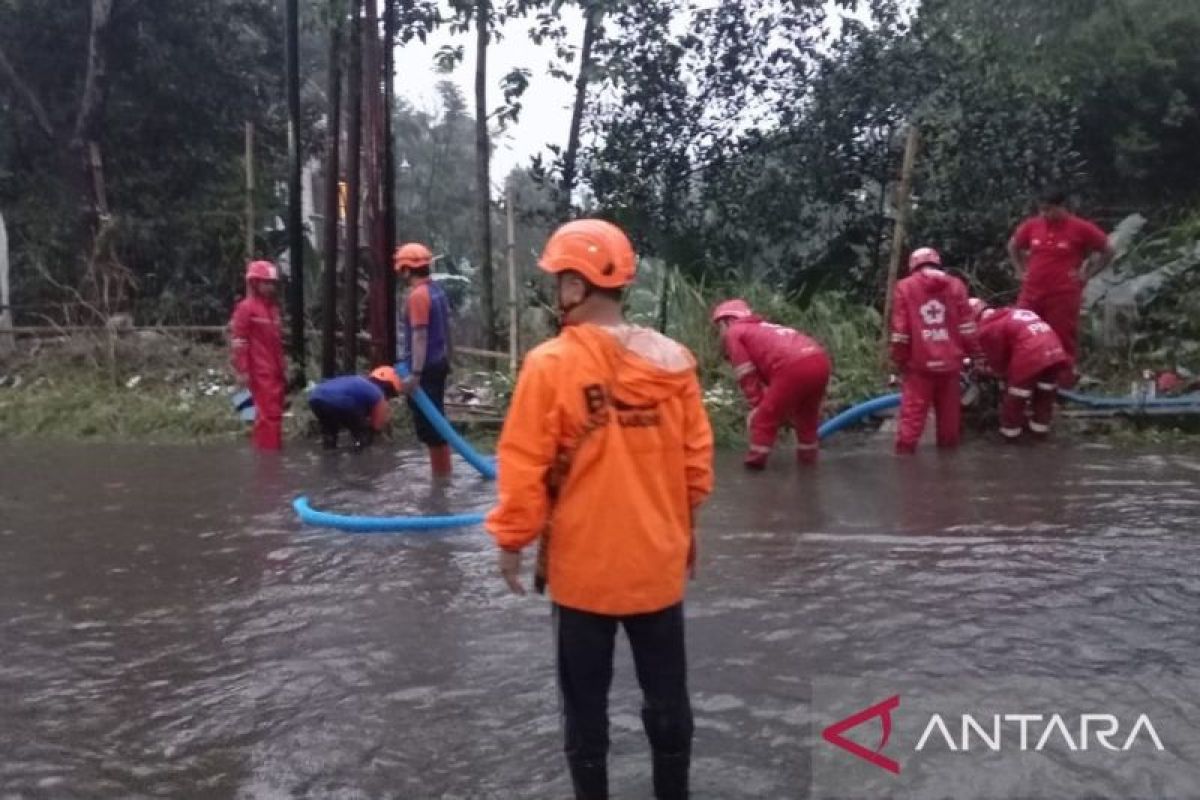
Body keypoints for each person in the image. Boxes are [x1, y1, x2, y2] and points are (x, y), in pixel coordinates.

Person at [486, 219, 714, 800]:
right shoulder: (674, 361)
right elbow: (696, 469)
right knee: (668, 702)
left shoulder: (550, 365)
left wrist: (512, 542)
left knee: (584, 710)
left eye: (560, 279)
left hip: (583, 574)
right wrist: (681, 534)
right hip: (657, 571)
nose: (557, 290)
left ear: (576, 286)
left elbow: (524, 464)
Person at [1008, 188, 1114, 385]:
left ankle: (1061, 384)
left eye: (1049, 210)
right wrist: (1020, 271)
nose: (1044, 214)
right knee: (1022, 330)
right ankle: (1026, 377)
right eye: (1041, 210)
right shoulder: (1032, 226)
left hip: (1063, 294)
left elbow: (1108, 249)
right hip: (1031, 291)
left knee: (1062, 337)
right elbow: (1014, 245)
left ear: (1061, 207)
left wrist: (1087, 274)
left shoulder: (1081, 228)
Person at [710, 299, 831, 469]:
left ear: (727, 321)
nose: (719, 334)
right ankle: (808, 466)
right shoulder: (763, 327)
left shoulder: (734, 332)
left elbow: (746, 373)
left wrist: (757, 406)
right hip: (820, 360)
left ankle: (754, 469)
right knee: (807, 418)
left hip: (793, 366)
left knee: (763, 420)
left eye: (719, 327)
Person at [889, 247, 978, 455]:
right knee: (949, 423)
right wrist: (976, 355)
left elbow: (900, 332)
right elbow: (967, 328)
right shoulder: (956, 285)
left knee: (911, 421)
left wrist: (899, 360)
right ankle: (948, 469)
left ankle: (904, 469)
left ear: (913, 265)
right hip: (951, 365)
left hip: (919, 365)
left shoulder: (905, 287)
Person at [394, 242, 454, 477]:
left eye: (402, 269)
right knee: (438, 424)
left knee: (431, 428)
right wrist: (450, 356)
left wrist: (415, 375)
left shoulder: (418, 296)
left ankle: (441, 482)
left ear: (407, 270)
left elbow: (419, 336)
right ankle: (444, 477)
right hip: (439, 364)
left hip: (425, 369)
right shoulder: (437, 291)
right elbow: (449, 327)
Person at [971, 300, 1070, 441]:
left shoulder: (989, 327)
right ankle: (1039, 432)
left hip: (1031, 354)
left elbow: (998, 357)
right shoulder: (1012, 314)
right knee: (1045, 392)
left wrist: (994, 371)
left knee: (1016, 394)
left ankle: (1009, 434)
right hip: (1054, 351)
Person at [230, 260, 286, 450]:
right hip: (258, 371)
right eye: (265, 282)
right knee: (266, 415)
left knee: (273, 414)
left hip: (274, 371)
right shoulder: (246, 308)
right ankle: (268, 460)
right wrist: (242, 370)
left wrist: (282, 369)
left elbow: (277, 343)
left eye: (271, 283)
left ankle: (269, 453)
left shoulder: (273, 310)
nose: (270, 287)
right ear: (255, 283)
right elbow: (239, 341)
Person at [308, 365, 402, 449]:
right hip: (342, 401)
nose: (389, 399)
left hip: (316, 398)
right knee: (364, 437)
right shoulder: (378, 393)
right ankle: (360, 463)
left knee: (330, 433)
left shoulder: (358, 382)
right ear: (389, 387)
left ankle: (329, 457)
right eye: (391, 395)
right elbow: (376, 426)